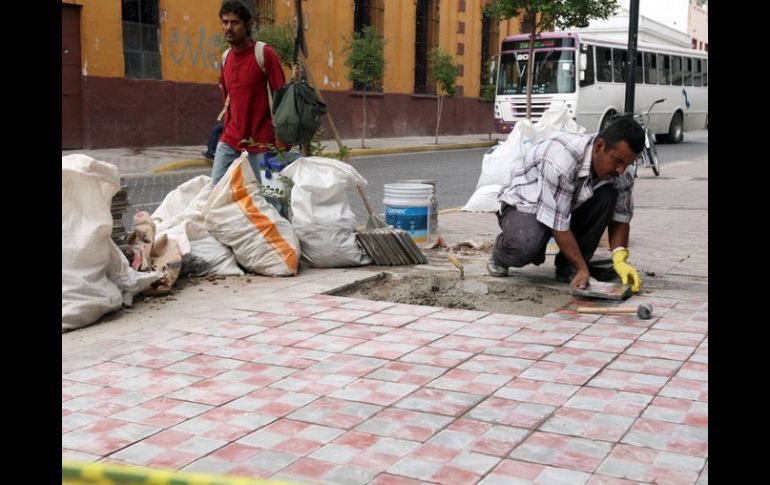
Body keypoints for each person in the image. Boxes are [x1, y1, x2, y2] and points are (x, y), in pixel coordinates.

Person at [487, 115, 645, 293]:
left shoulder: (623, 172)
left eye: (627, 164)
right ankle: (501, 254)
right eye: (617, 161)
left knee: (608, 194)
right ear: (599, 146)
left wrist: (619, 258)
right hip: (524, 204)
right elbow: (558, 223)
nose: (620, 170)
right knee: (526, 246)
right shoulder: (561, 160)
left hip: (566, 206)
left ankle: (567, 266)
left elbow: (621, 218)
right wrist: (582, 268)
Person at [211, 0, 288, 184]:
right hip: (231, 138)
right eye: (225, 22)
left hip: (263, 140)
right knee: (216, 188)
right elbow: (228, 99)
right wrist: (227, 129)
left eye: (235, 22)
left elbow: (282, 96)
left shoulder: (264, 53)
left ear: (247, 25)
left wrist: (283, 140)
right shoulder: (226, 58)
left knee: (274, 199)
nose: (229, 27)